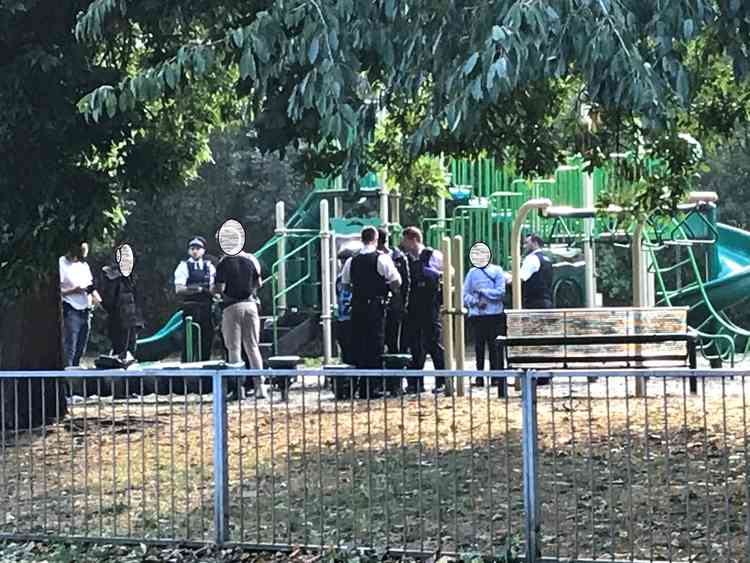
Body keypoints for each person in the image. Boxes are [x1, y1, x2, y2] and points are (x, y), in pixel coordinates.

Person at [341, 226, 402, 399]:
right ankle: (373, 387)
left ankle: (360, 384)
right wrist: (388, 291)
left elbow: (345, 284)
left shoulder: (351, 261)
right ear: (375, 239)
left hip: (358, 307)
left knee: (359, 344)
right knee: (375, 344)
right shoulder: (381, 258)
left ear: (362, 239)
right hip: (376, 307)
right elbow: (396, 281)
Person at [400, 226, 447, 394]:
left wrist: (433, 274)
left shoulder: (434, 255)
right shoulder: (404, 259)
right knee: (414, 346)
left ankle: (442, 380)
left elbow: (450, 273)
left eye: (404, 240)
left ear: (413, 239)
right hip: (412, 307)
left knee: (434, 343)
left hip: (430, 306)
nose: (402, 243)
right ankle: (415, 383)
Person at [213, 249, 265, 399]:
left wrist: (214, 291)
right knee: (253, 347)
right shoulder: (250, 260)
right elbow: (259, 283)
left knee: (234, 349)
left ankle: (238, 388)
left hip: (232, 307)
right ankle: (260, 387)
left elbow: (220, 288)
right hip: (251, 306)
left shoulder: (224, 262)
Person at [378, 228, 411, 395]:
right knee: (380, 345)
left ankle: (395, 383)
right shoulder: (391, 257)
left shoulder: (398, 257)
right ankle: (383, 383)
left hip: (394, 309)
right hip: (381, 308)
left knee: (394, 345)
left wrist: (402, 304)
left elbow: (405, 283)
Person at [463, 259, 506, 387]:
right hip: (478, 316)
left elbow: (501, 292)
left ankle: (495, 377)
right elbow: (464, 295)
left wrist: (483, 292)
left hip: (494, 315)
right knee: (479, 347)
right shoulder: (472, 272)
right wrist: (476, 302)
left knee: (494, 347)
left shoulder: (497, 271)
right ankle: (480, 377)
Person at [174, 237, 216, 362]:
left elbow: (214, 288)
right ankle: (186, 368)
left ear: (203, 251)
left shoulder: (210, 267)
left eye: (198, 249)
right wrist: (198, 289)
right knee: (188, 339)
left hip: (207, 308)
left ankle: (205, 368)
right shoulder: (183, 266)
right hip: (190, 308)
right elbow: (179, 289)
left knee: (207, 338)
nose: (195, 251)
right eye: (192, 249)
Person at [59, 242, 101, 367]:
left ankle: (76, 373)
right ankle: (67, 376)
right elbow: (56, 292)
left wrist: (98, 300)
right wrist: (75, 290)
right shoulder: (61, 264)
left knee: (81, 347)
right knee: (70, 346)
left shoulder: (84, 265)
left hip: (86, 309)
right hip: (71, 308)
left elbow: (90, 286)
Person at [99, 259, 143, 363]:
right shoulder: (126, 279)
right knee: (125, 351)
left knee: (123, 351)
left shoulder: (123, 279)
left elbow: (108, 300)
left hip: (124, 318)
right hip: (124, 317)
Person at [519, 234, 553, 309]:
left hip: (533, 303)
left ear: (535, 243)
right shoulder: (547, 259)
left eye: (527, 243)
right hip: (547, 302)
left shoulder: (531, 259)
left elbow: (521, 279)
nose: (525, 246)